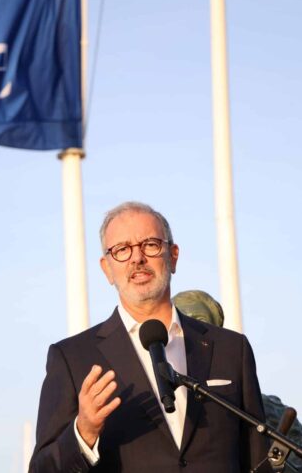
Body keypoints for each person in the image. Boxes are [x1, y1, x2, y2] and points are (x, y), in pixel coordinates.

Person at [30, 202, 270, 472]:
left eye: (150, 245)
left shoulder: (231, 349)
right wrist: (83, 432)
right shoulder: (72, 358)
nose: (137, 258)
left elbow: (258, 459)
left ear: (173, 255)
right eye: (122, 250)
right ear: (106, 268)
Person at [172, 290, 302, 473]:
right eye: (182, 324)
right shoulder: (152, 408)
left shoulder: (271, 411)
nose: (190, 331)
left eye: (198, 321)